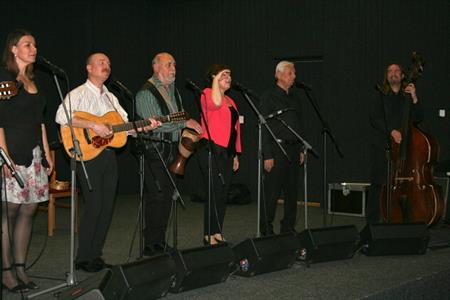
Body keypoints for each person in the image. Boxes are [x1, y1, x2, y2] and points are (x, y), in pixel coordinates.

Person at [55, 52, 159, 272]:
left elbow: (123, 127)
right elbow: (61, 116)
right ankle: (83, 257)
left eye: (109, 64)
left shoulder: (111, 98)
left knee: (107, 206)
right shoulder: (78, 94)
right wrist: (92, 125)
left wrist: (143, 125)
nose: (106, 66)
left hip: (108, 155)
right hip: (87, 154)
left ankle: (95, 255)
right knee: (94, 205)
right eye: (101, 63)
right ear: (89, 68)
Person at [0, 29, 54, 293]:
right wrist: (4, 158)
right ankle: (6, 271)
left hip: (33, 154)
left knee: (29, 209)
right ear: (13, 49)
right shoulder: (4, 79)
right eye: (27, 44)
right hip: (11, 153)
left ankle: (21, 266)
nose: (33, 48)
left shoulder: (32, 81)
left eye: (34, 44)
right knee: (9, 212)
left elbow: (39, 122)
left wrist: (45, 154)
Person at [135, 52, 202, 256]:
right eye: (168, 65)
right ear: (156, 68)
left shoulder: (173, 90)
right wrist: (183, 123)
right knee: (156, 196)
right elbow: (153, 124)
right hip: (154, 149)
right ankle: (150, 244)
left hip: (171, 149)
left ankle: (159, 241)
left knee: (166, 198)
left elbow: (177, 115)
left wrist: (185, 126)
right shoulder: (145, 93)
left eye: (174, 65)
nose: (173, 68)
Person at [367, 63, 424, 224]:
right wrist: (391, 131)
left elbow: (419, 117)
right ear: (386, 76)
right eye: (390, 71)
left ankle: (403, 220)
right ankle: (372, 224)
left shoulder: (407, 96)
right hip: (382, 147)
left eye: (397, 71)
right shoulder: (379, 94)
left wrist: (414, 97)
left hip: (405, 151)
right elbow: (375, 118)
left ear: (403, 76)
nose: (393, 73)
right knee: (378, 184)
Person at [259, 61, 304, 236]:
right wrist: (267, 154)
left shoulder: (296, 98)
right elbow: (264, 127)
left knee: (292, 192)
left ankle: (288, 226)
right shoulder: (268, 96)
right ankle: (266, 228)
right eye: (290, 73)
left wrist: (300, 148)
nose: (294, 76)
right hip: (276, 148)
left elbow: (300, 125)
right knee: (272, 193)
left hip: (293, 149)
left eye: (294, 73)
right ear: (278, 75)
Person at [198, 64, 241, 245]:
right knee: (213, 192)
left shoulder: (231, 101)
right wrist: (216, 80)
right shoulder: (207, 93)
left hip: (227, 153)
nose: (229, 77)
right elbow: (215, 104)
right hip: (211, 150)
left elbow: (236, 129)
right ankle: (208, 234)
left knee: (222, 193)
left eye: (230, 75)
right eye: (224, 75)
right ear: (214, 77)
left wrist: (236, 154)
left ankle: (217, 231)